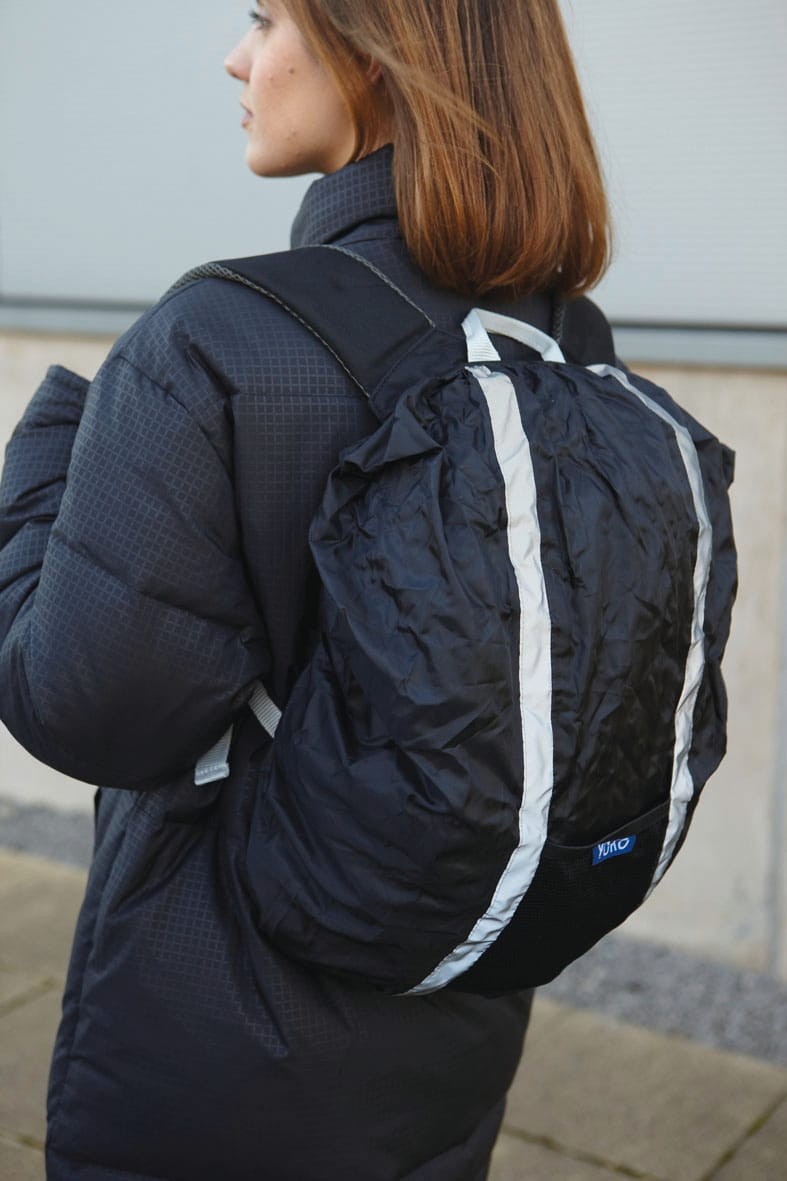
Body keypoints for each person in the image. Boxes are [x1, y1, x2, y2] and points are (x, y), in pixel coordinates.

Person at [0, 2, 617, 1178]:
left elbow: (81, 707)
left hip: (219, 1032)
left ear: (376, 51)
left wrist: (38, 475)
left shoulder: (225, 340)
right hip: (458, 996)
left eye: (267, 18)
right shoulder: (564, 342)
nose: (238, 57)